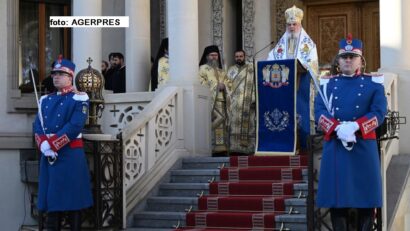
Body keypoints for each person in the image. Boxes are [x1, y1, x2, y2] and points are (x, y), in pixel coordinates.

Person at [315, 34, 387, 231]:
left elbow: (379, 112)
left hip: (363, 146)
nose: (348, 60)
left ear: (360, 61)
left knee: (366, 198)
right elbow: (319, 111)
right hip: (337, 146)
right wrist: (337, 127)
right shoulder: (327, 85)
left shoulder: (374, 84)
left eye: (352, 57)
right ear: (338, 61)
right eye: (344, 56)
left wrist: (356, 127)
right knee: (337, 200)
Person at [33, 56, 93, 231]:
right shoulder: (44, 100)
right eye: (54, 74)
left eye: (60, 74)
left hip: (69, 153)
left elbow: (74, 126)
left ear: (70, 76)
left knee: (74, 198)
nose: (56, 77)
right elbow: (38, 126)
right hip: (49, 154)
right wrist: (43, 144)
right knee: (52, 197)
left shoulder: (79, 98)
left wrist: (53, 144)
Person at [267, 5, 318, 75]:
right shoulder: (281, 44)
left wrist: (305, 66)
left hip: (301, 78)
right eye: (289, 24)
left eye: (294, 24)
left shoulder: (309, 45)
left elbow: (313, 63)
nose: (291, 27)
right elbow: (271, 58)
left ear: (300, 25)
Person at [199, 45, 231, 155]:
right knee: (214, 124)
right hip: (210, 102)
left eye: (216, 55)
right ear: (207, 56)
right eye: (212, 55)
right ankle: (212, 148)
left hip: (222, 101)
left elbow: (229, 82)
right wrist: (216, 85)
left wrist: (225, 86)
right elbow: (200, 83)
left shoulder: (221, 71)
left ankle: (222, 148)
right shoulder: (202, 68)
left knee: (222, 124)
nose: (214, 57)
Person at [226, 49, 256, 154]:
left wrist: (254, 98)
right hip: (234, 103)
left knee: (249, 125)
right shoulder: (230, 70)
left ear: (245, 57)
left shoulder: (252, 69)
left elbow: (256, 85)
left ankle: (248, 149)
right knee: (234, 124)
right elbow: (227, 86)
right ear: (235, 58)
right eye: (237, 56)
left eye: (241, 56)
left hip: (248, 102)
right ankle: (234, 148)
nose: (239, 58)